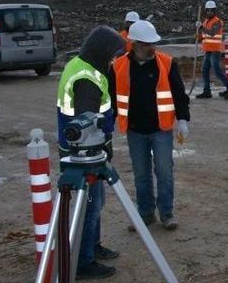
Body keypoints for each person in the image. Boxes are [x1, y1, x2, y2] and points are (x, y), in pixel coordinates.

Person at [56, 26, 125, 279]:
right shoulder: (87, 80)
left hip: (84, 151)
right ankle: (84, 261)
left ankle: (93, 246)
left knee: (96, 203)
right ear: (101, 51)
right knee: (90, 206)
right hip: (85, 155)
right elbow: (87, 124)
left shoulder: (82, 65)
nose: (113, 60)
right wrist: (103, 147)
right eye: (111, 54)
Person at [109, 20, 190, 231]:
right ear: (134, 43)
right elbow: (111, 99)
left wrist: (182, 119)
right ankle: (145, 215)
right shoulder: (118, 67)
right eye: (146, 44)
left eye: (153, 43)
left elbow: (179, 95)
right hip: (135, 130)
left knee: (164, 173)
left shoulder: (167, 63)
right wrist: (106, 122)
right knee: (141, 175)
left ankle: (167, 214)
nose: (152, 48)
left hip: (160, 129)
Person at [195, 0, 228, 99]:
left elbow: (212, 33)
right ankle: (207, 92)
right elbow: (204, 36)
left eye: (212, 10)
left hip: (215, 51)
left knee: (217, 72)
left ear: (214, 11)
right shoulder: (206, 22)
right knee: (205, 71)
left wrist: (201, 27)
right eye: (208, 10)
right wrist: (198, 36)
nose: (210, 12)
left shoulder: (218, 22)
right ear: (206, 11)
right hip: (208, 51)